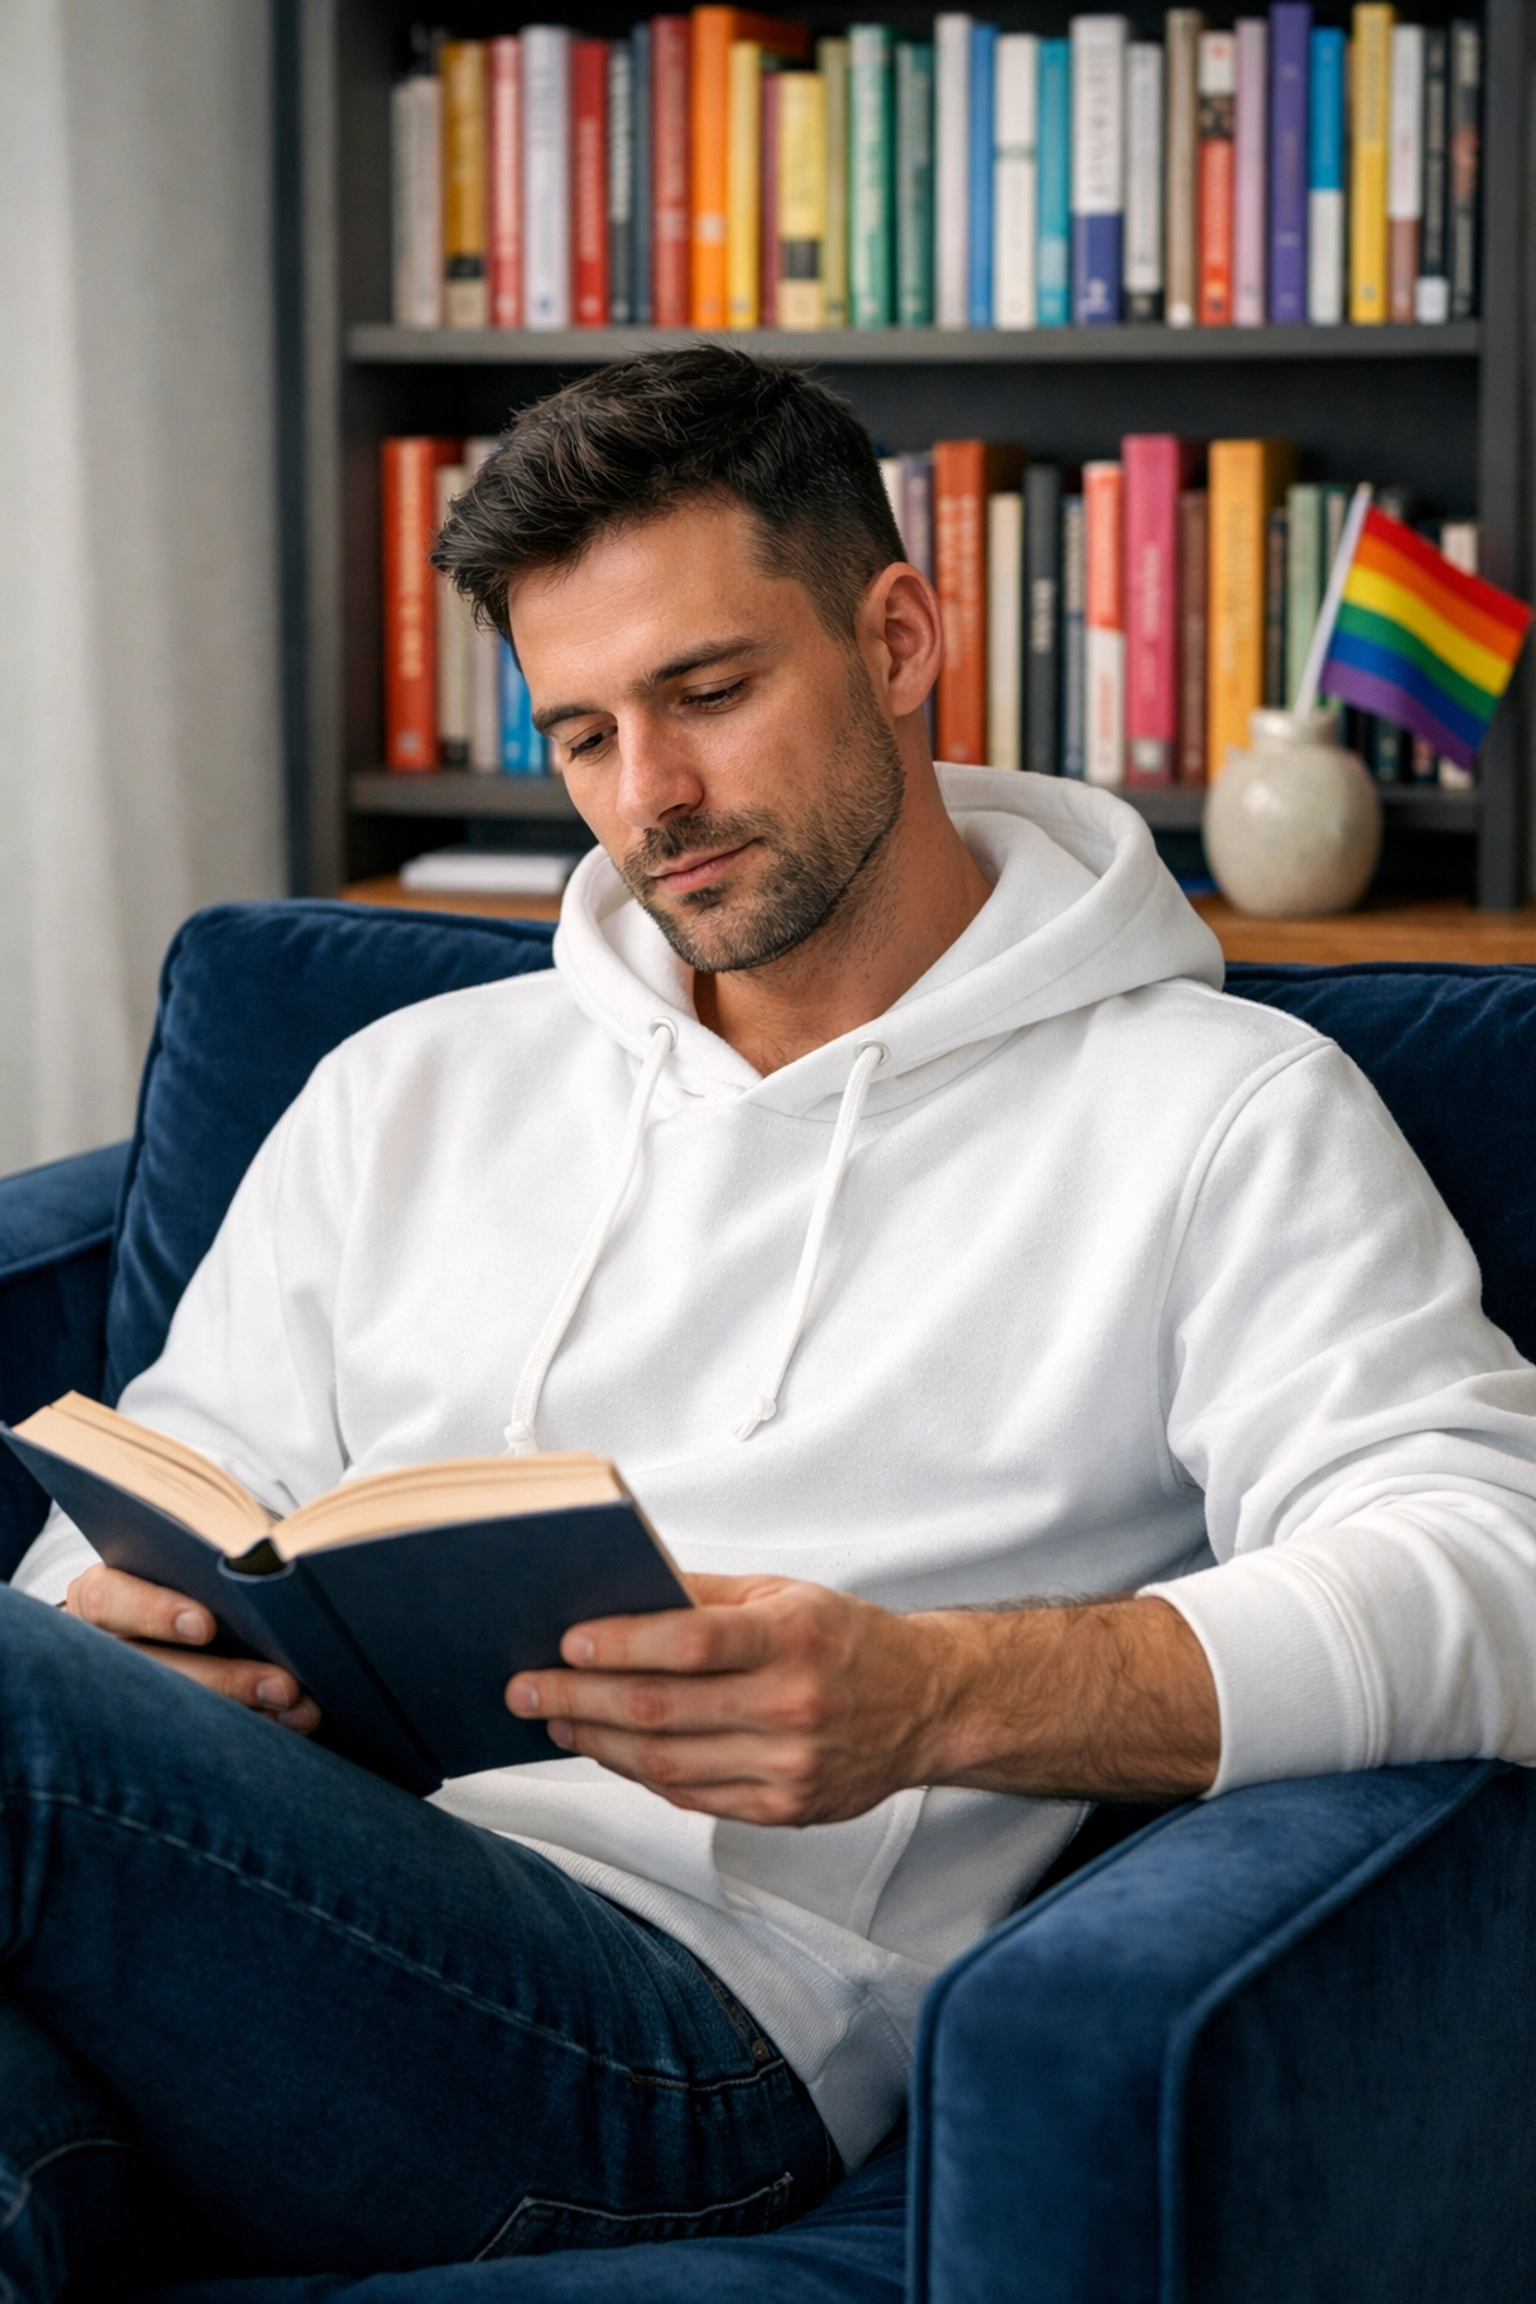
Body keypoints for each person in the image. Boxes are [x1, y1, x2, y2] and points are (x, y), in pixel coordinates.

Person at [6, 344, 1536, 2296]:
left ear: (899, 635)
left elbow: (1500, 1570)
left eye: (708, 694)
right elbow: (135, 1514)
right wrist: (125, 1641)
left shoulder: (1214, 1112)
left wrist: (936, 1696)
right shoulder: (410, 1087)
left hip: (684, 2045)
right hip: (251, 1937)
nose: (648, 800)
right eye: (580, 735)